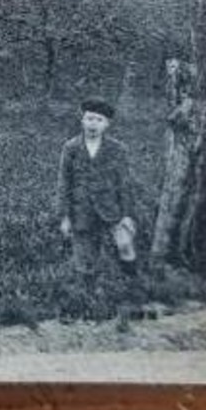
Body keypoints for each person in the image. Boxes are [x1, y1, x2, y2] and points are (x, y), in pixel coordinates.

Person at [57, 98, 141, 281]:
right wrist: (64, 216)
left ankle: (133, 285)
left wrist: (127, 214)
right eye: (89, 118)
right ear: (82, 121)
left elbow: (125, 183)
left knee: (125, 245)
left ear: (107, 124)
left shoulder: (117, 149)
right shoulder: (71, 148)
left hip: (112, 209)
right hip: (81, 210)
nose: (93, 124)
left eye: (99, 120)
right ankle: (88, 296)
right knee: (85, 258)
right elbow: (64, 183)